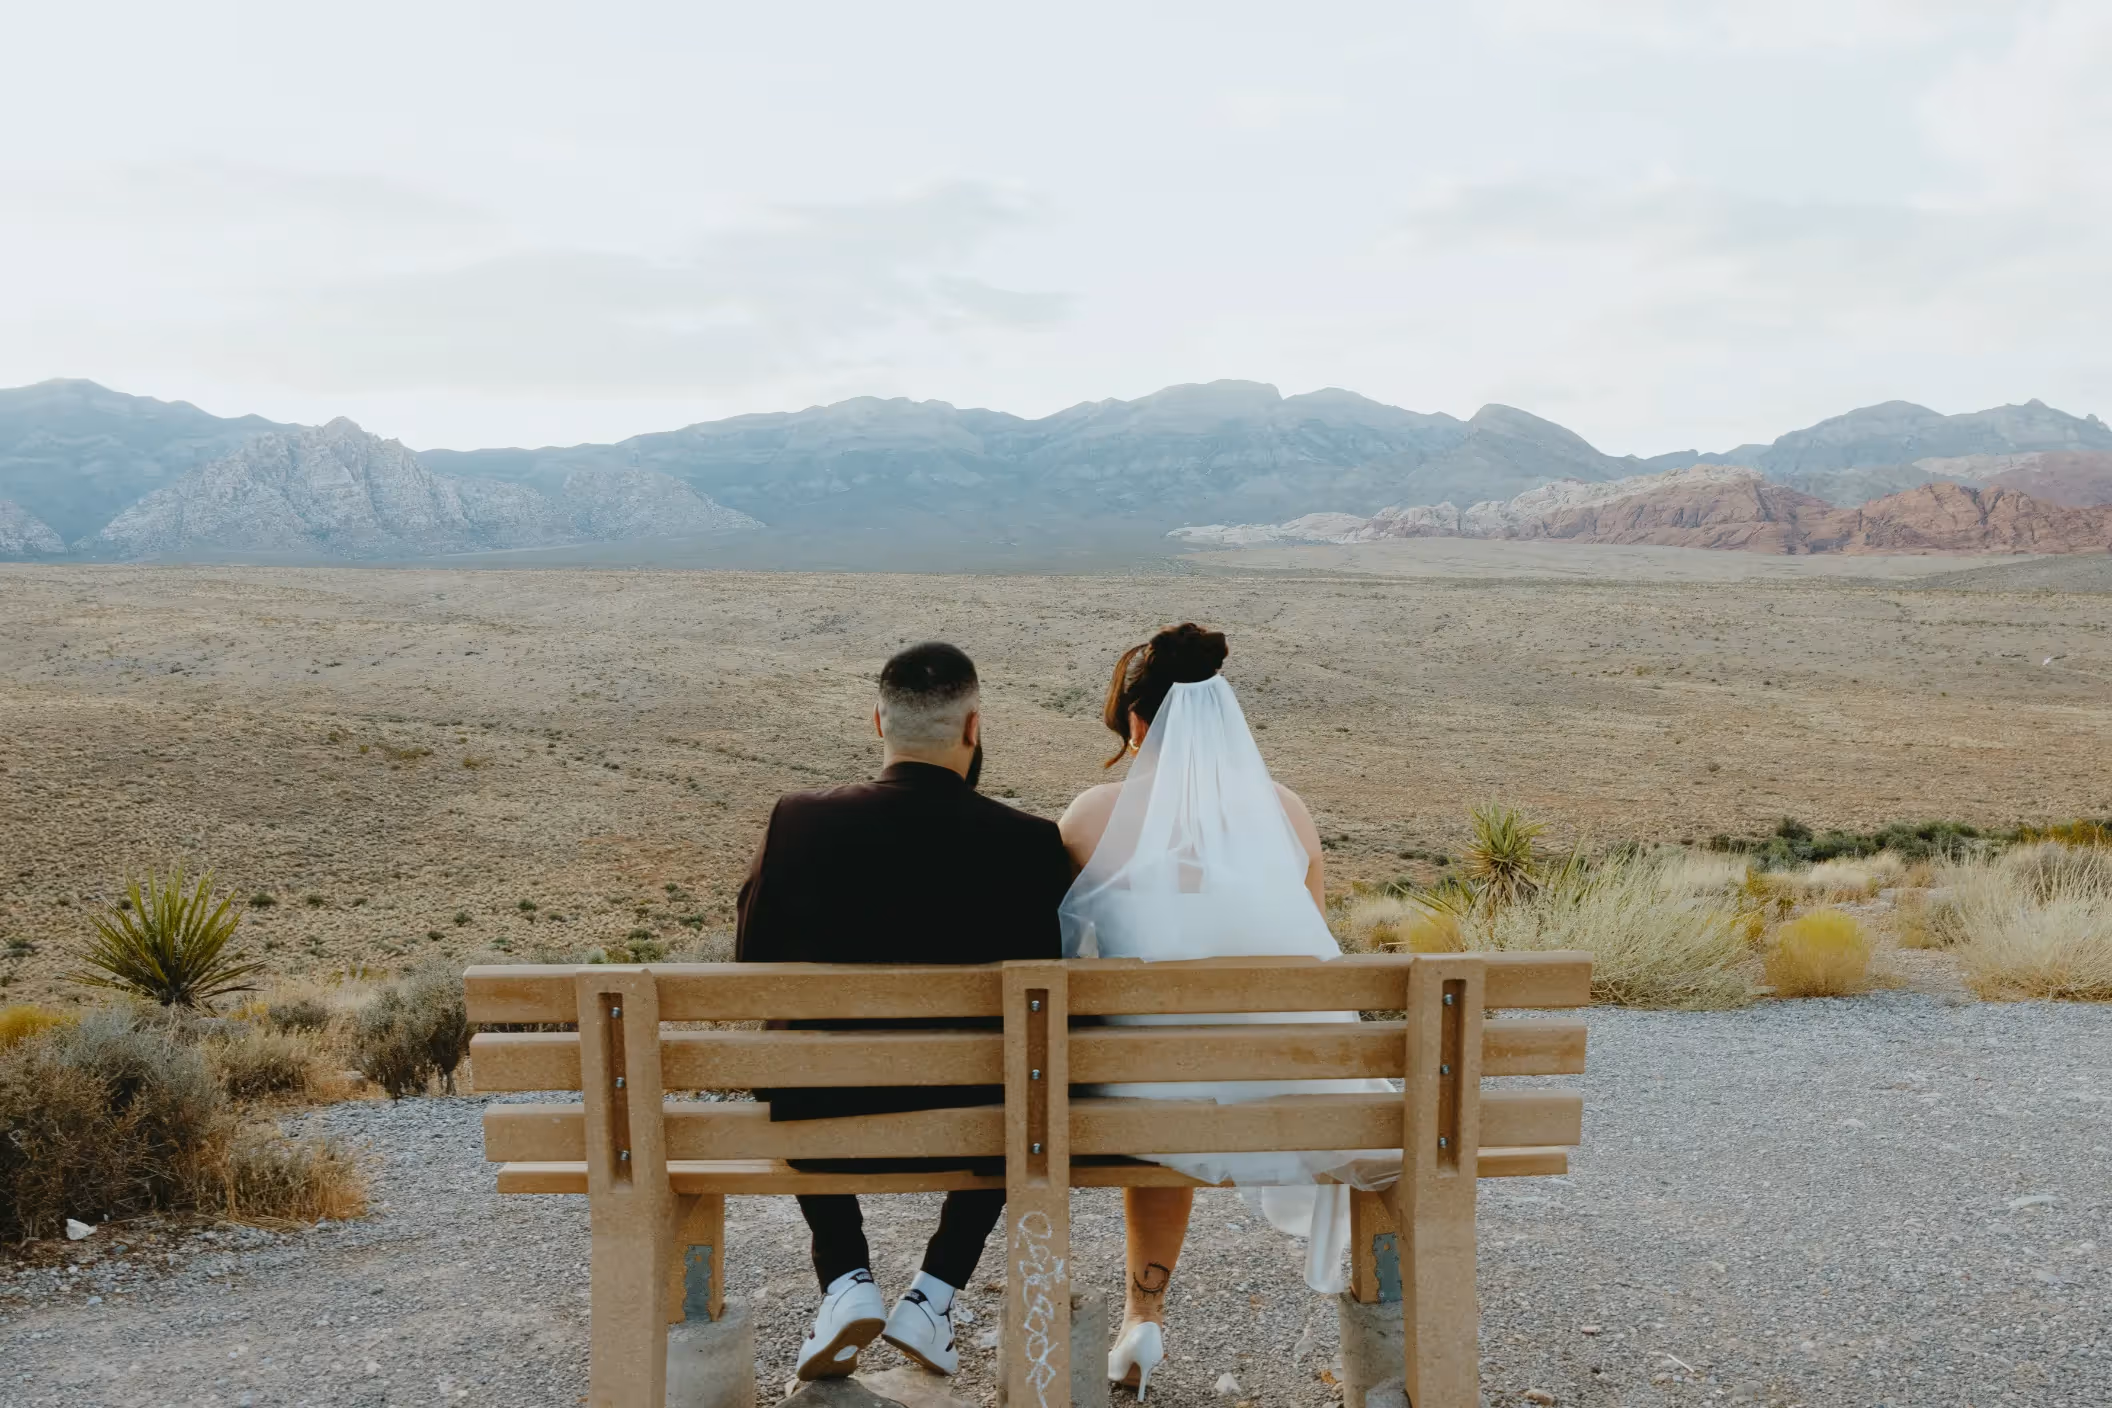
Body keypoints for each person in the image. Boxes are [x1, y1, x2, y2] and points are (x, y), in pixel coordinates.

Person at [1057, 623, 1391, 1399]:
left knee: (1163, 1075)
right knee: (1193, 1070)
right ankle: (1395, 1333)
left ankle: (1144, 1314)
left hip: (1146, 1097)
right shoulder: (1288, 813)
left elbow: (1065, 957)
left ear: (1139, 725)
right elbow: (1318, 962)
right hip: (1291, 1088)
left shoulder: (1091, 817)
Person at [737, 641, 1074, 1382]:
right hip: (977, 1128)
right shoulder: (1030, 842)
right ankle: (935, 1291)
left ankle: (847, 1277)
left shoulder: (798, 821)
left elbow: (750, 969)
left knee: (787, 1040)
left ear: (877, 720)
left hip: (826, 1122)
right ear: (974, 727)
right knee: (1024, 1070)